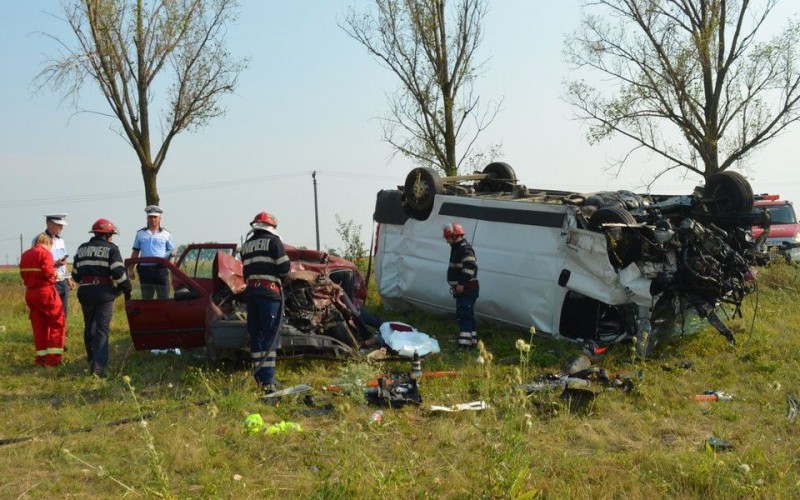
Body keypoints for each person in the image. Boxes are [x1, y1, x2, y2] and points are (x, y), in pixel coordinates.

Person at [72, 219, 132, 377]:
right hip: (103, 292)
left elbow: (75, 275)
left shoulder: (81, 249)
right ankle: (98, 369)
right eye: (111, 235)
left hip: (85, 291)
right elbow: (118, 273)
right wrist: (125, 287)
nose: (112, 238)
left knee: (89, 326)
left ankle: (92, 358)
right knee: (102, 329)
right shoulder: (111, 249)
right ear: (106, 235)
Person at [240, 212, 290, 395]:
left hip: (251, 293)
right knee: (270, 335)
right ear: (271, 227)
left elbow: (244, 269)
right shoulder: (274, 241)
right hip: (269, 294)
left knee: (257, 335)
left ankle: (261, 378)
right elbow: (284, 267)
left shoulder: (246, 245)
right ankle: (268, 381)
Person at [19, 233, 66, 367]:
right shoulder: (45, 253)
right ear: (49, 243)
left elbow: (24, 272)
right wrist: (57, 274)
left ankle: (41, 358)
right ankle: (54, 359)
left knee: (39, 325)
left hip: (30, 292)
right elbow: (47, 272)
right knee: (57, 322)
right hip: (45, 291)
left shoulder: (26, 254)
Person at [443, 222, 480, 349]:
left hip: (467, 289)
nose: (447, 241)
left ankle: (464, 346)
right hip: (464, 290)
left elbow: (470, 266)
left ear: (454, 236)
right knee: (466, 316)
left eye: (448, 237)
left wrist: (461, 283)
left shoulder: (465, 249)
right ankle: (473, 343)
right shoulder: (457, 248)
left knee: (465, 316)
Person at [36, 213, 77, 321]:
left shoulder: (61, 240)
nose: (62, 227)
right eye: (59, 224)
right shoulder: (40, 240)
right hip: (50, 282)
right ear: (49, 224)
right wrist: (55, 264)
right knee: (51, 314)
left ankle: (60, 336)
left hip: (62, 282)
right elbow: (38, 264)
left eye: (62, 225)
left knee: (63, 314)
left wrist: (69, 279)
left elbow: (64, 261)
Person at [130, 205, 175, 299]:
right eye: (150, 217)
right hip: (145, 271)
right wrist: (130, 269)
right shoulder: (140, 234)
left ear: (160, 218)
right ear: (147, 218)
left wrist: (173, 272)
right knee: (146, 299)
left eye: (155, 217)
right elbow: (135, 253)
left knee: (164, 299)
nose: (153, 219)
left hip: (161, 270)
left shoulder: (167, 234)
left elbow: (172, 254)